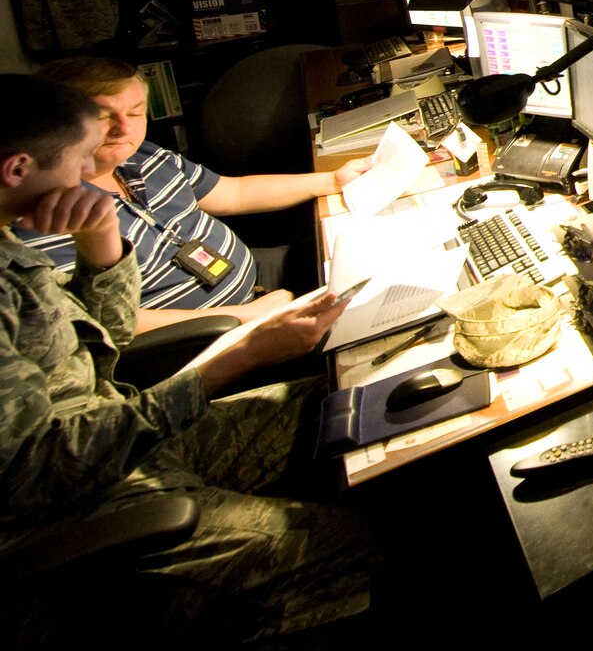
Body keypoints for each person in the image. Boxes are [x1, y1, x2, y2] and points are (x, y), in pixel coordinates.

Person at [0, 74, 375, 642]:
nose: (90, 174)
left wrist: (101, 240)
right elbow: (44, 470)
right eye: (80, 161)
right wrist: (236, 358)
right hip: (77, 511)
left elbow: (109, 334)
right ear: (18, 170)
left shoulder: (10, 239)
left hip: (121, 437)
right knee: (363, 546)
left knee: (357, 400)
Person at [20, 57, 373, 329]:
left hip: (258, 279)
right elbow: (106, 323)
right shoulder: (43, 216)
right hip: (217, 329)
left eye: (135, 112)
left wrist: (329, 182)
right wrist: (243, 317)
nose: (124, 128)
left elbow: (233, 193)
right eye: (102, 115)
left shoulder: (143, 155)